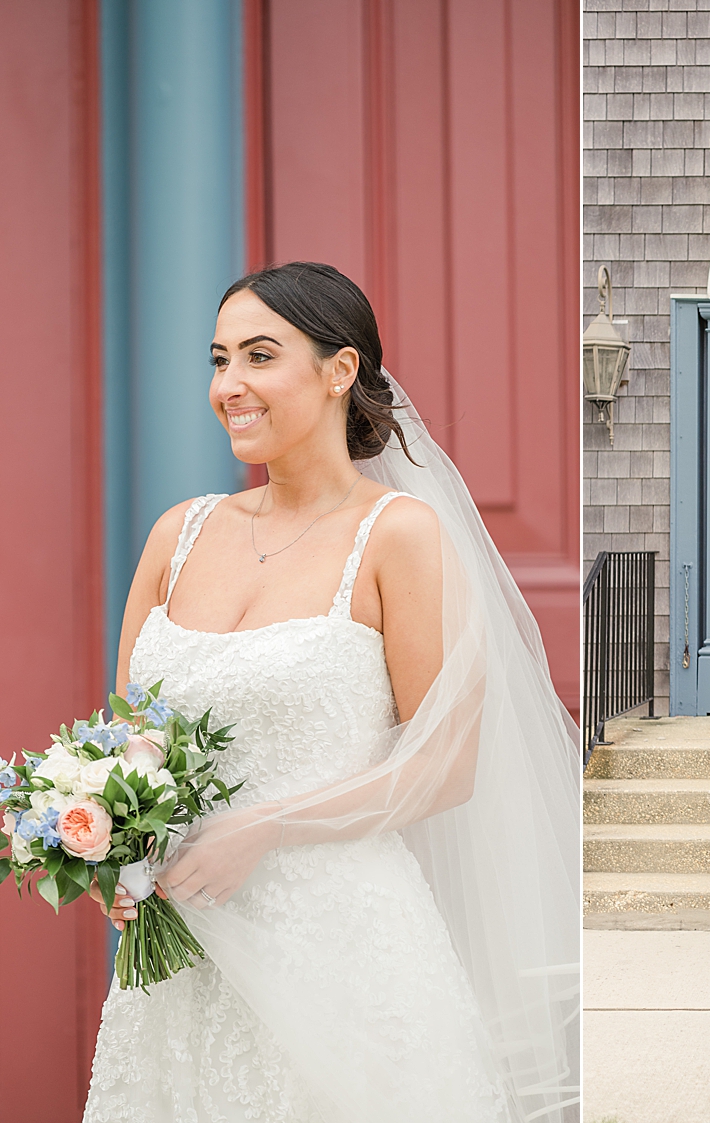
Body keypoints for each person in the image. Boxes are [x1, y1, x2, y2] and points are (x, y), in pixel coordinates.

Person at [83, 262, 579, 1120]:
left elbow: (445, 765)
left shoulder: (399, 537)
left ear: (339, 370)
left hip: (344, 944)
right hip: (186, 958)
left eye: (259, 356)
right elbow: (131, 738)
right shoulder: (178, 533)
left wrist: (265, 828)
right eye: (219, 359)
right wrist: (117, 850)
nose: (229, 385)